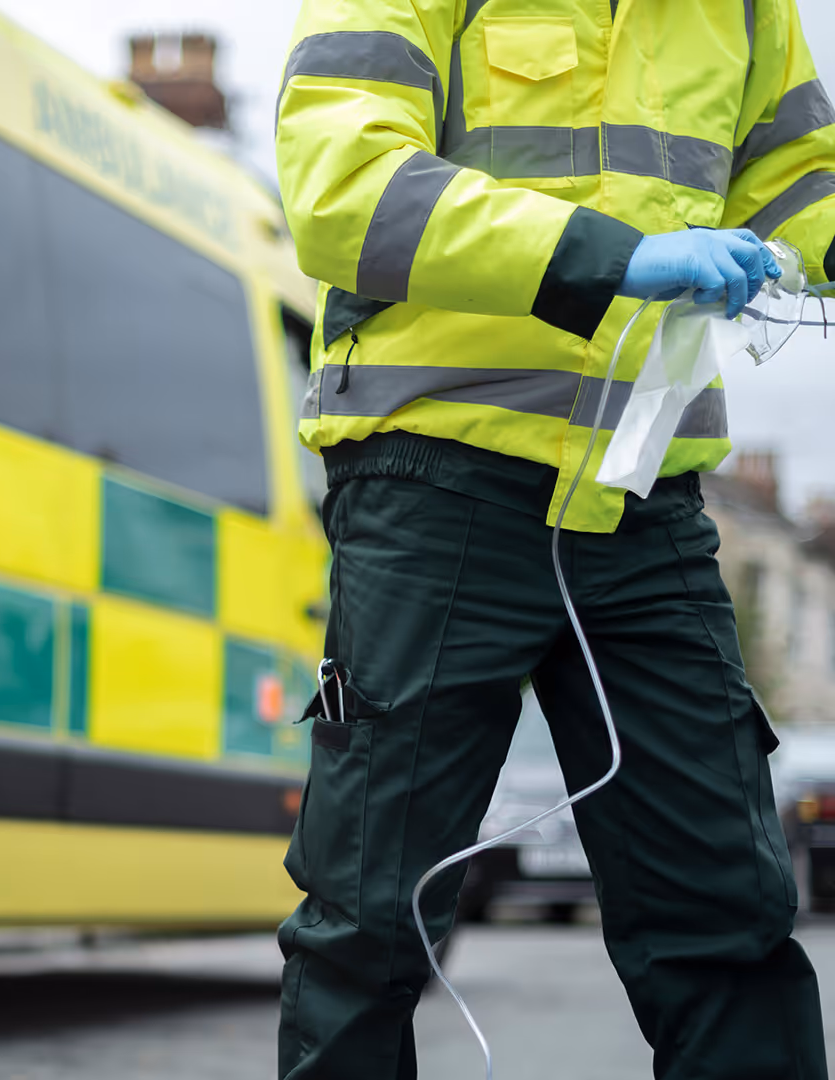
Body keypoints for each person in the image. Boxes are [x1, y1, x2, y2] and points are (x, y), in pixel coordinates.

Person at [274, 1, 835, 1077]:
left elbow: (803, 185)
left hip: (644, 499)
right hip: (433, 478)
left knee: (730, 912)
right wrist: (611, 257)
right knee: (370, 916)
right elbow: (341, 184)